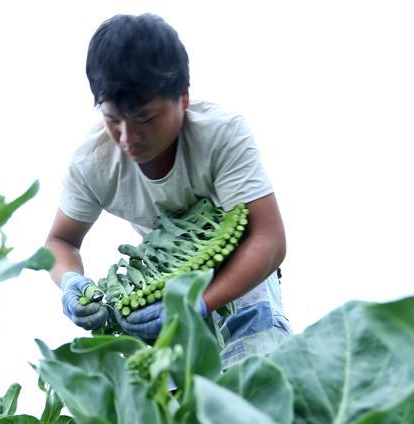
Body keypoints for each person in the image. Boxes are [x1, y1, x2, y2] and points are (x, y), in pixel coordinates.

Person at [45, 13, 292, 367]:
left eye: (145, 118)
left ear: (184, 98)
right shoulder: (93, 161)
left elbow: (270, 241)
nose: (129, 139)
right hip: (162, 282)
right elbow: (60, 242)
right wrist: (70, 281)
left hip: (243, 268)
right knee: (171, 406)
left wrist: (197, 303)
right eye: (114, 120)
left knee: (258, 371)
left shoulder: (222, 136)